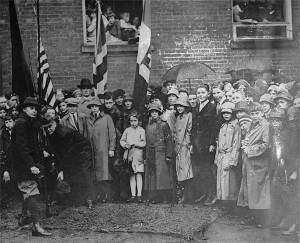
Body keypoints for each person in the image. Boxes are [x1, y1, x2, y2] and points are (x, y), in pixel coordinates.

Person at [11, 97, 51, 236]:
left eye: (35, 109)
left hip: (28, 164)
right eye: (31, 108)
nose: (34, 111)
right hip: (24, 166)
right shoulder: (22, 123)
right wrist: (31, 165)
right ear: (24, 109)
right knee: (32, 194)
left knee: (29, 193)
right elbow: (22, 148)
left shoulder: (30, 122)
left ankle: (24, 219)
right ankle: (37, 227)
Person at [42, 114, 93, 209]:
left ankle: (89, 199)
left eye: (50, 126)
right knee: (71, 174)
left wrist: (61, 169)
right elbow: (57, 152)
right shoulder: (51, 134)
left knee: (84, 174)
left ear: (54, 123)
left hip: (82, 152)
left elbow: (66, 153)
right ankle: (76, 199)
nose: (48, 129)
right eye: (45, 128)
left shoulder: (63, 133)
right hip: (72, 153)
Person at [237, 103, 271, 228]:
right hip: (249, 163)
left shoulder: (266, 126)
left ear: (262, 113)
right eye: (252, 114)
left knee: (259, 192)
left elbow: (265, 145)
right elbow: (250, 139)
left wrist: (250, 149)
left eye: (257, 113)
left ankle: (262, 220)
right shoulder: (252, 125)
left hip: (258, 163)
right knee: (250, 190)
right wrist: (245, 142)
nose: (255, 116)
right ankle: (253, 216)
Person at [86, 98, 116, 202]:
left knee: (105, 172)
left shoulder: (107, 118)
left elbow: (112, 134)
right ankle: (98, 195)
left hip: (104, 149)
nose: (94, 108)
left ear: (99, 107)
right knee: (96, 173)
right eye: (92, 106)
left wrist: (112, 148)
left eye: (96, 106)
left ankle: (107, 195)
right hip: (93, 150)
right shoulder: (88, 119)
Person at [191, 84, 217, 205]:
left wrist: (212, 143)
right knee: (200, 170)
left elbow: (213, 127)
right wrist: (192, 144)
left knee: (207, 170)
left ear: (208, 94)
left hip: (206, 144)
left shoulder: (212, 107)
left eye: (202, 92)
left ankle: (211, 194)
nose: (200, 95)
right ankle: (204, 193)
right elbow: (193, 128)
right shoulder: (195, 108)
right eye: (198, 93)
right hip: (197, 144)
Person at [144, 103, 174, 203]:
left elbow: (169, 140)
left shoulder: (164, 124)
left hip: (161, 153)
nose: (154, 114)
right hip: (151, 153)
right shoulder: (148, 125)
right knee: (152, 176)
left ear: (159, 112)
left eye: (156, 112)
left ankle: (165, 197)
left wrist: (169, 155)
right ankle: (155, 197)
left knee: (162, 175)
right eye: (152, 112)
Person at [214, 102, 241, 208]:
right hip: (221, 155)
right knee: (222, 179)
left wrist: (233, 159)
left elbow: (236, 143)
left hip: (229, 154)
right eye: (224, 113)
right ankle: (223, 200)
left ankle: (231, 202)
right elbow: (218, 143)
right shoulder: (223, 125)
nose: (226, 115)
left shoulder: (236, 125)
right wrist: (217, 157)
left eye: (228, 113)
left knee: (230, 180)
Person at [120, 112, 146, 203]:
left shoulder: (142, 130)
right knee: (131, 175)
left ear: (139, 121)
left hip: (138, 155)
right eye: (131, 121)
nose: (133, 123)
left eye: (135, 121)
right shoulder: (127, 130)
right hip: (129, 155)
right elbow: (122, 140)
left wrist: (136, 144)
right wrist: (125, 145)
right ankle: (133, 195)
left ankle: (139, 195)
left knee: (138, 174)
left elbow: (144, 143)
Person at [174, 98, 193, 204]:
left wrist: (187, 144)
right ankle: (181, 194)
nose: (179, 108)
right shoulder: (178, 117)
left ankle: (187, 195)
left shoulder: (189, 115)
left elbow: (190, 130)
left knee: (186, 170)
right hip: (178, 147)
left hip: (185, 146)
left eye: (182, 106)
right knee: (180, 170)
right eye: (178, 106)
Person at [0, 115, 14, 207]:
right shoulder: (3, 134)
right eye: (6, 122)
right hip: (8, 158)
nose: (8, 124)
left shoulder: (18, 132)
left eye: (10, 121)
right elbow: (2, 149)